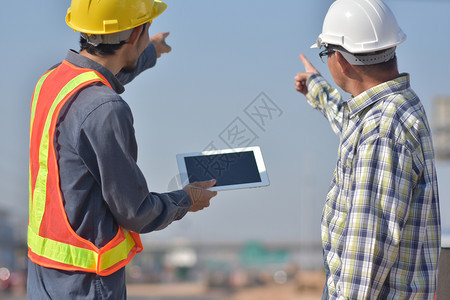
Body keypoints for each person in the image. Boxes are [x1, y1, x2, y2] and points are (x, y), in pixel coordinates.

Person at [27, 0, 217, 298]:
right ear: (134, 33)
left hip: (44, 277)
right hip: (89, 283)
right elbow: (136, 212)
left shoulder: (51, 81)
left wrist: (150, 48)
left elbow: (103, 77)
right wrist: (186, 199)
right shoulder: (106, 108)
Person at [294, 0, 441, 299]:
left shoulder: (380, 133)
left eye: (326, 54)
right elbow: (353, 127)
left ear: (342, 61)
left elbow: (365, 258)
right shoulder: (398, 106)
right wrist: (316, 87)